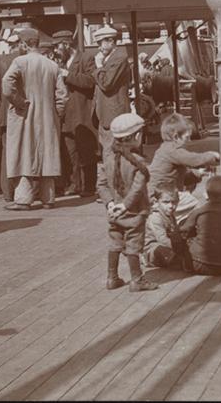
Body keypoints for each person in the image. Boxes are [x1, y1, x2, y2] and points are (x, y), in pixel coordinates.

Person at [2, 27, 68, 211]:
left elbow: (6, 85)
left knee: (24, 154)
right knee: (47, 155)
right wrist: (56, 115)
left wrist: (18, 102)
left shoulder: (19, 62)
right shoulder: (52, 65)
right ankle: (48, 198)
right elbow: (63, 96)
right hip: (48, 118)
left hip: (25, 115)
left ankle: (23, 199)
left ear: (24, 44)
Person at [97, 113, 158, 291]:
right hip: (134, 212)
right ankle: (137, 280)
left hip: (113, 212)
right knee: (133, 245)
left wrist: (110, 203)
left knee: (115, 242)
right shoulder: (138, 162)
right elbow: (138, 189)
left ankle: (112, 278)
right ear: (136, 136)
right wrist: (125, 205)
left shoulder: (108, 159)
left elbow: (101, 185)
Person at [147, 112, 219, 221]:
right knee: (196, 206)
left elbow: (180, 176)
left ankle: (179, 223)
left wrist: (198, 173)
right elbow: (194, 159)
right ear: (176, 136)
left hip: (160, 192)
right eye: (187, 137)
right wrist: (211, 155)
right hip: (158, 195)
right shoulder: (172, 150)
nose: (189, 141)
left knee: (188, 197)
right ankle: (197, 227)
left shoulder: (166, 149)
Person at [58, 31, 98, 197]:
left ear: (67, 45)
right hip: (66, 116)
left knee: (86, 151)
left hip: (82, 114)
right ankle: (75, 184)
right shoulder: (61, 61)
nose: (56, 51)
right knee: (71, 152)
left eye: (58, 47)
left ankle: (89, 186)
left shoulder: (86, 58)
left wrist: (68, 75)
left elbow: (90, 81)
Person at [0, 28, 25, 202]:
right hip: (25, 112)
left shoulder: (0, 61)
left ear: (9, 45)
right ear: (21, 44)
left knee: (7, 154)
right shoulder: (26, 60)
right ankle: (26, 191)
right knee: (26, 151)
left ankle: (8, 193)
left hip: (6, 115)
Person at [181, 175, 221, 276]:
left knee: (184, 232)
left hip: (199, 264)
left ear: (207, 195)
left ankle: (183, 261)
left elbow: (183, 233)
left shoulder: (199, 211)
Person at [92, 25, 131, 161]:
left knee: (111, 153)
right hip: (106, 114)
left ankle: (113, 175)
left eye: (100, 43)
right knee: (107, 151)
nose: (99, 48)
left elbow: (106, 83)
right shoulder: (112, 58)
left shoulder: (119, 58)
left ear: (111, 41)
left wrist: (99, 66)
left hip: (113, 114)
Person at [143, 181, 192, 270]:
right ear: (156, 202)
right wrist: (180, 247)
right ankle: (181, 262)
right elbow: (162, 239)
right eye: (166, 202)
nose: (171, 206)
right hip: (152, 249)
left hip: (169, 245)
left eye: (174, 202)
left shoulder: (170, 214)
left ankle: (181, 260)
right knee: (162, 251)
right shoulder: (155, 217)